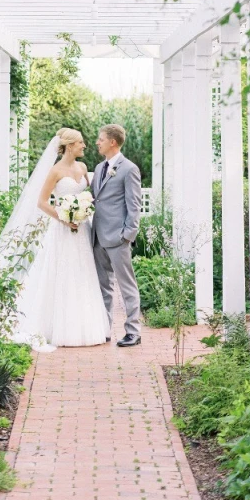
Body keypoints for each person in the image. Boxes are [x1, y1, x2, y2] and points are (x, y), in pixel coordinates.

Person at [2, 128, 110, 350]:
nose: (84, 146)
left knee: (84, 273)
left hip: (82, 229)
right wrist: (64, 217)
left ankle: (86, 327)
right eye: (80, 143)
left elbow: (88, 197)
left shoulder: (83, 168)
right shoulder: (55, 171)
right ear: (70, 146)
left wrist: (83, 211)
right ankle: (58, 328)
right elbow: (42, 202)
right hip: (62, 230)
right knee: (62, 274)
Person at [91, 124, 142, 347]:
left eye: (100, 139)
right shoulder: (99, 167)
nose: (97, 142)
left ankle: (133, 331)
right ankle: (105, 328)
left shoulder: (129, 169)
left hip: (118, 238)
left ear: (112, 142)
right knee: (104, 287)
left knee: (126, 286)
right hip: (97, 237)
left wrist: (128, 235)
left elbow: (134, 205)